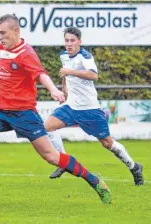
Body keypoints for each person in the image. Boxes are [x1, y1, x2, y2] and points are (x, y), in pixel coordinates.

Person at [0, 15, 111, 206]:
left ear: (15, 31)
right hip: (0, 110)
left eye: (3, 33)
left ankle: (95, 181)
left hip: (24, 114)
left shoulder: (26, 53)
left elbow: (41, 74)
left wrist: (54, 90)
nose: (0, 37)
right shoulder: (2, 49)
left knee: (51, 157)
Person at [45, 27, 144, 186]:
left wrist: (70, 71)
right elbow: (65, 73)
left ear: (79, 42)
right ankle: (63, 162)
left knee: (107, 143)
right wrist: (64, 88)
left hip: (89, 109)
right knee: (47, 127)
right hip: (71, 107)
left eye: (72, 40)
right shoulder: (63, 55)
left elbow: (93, 75)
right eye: (66, 40)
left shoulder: (85, 56)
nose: (69, 44)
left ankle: (134, 167)